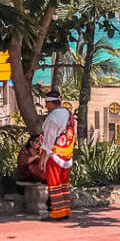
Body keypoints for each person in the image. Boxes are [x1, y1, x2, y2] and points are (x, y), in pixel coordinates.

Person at [39, 90, 74, 221]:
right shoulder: (68, 114)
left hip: (54, 154)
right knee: (64, 183)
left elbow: (48, 139)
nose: (45, 105)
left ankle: (58, 211)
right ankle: (65, 209)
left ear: (50, 102)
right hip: (66, 154)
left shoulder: (53, 117)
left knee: (54, 183)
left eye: (46, 103)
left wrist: (42, 157)